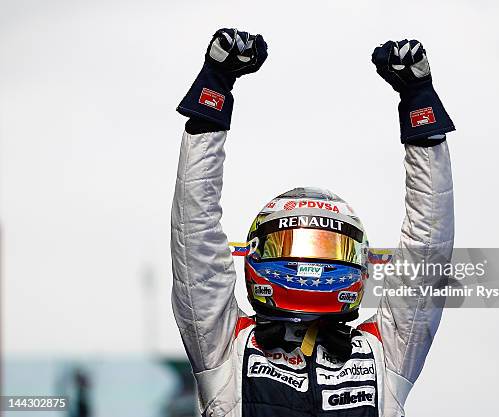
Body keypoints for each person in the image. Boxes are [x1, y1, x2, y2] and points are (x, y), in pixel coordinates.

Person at [171, 28, 455, 417]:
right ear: (256, 254)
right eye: (294, 245)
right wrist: (213, 94)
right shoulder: (226, 346)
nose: (313, 263)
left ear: (360, 260)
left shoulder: (382, 353)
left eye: (330, 247)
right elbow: (194, 234)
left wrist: (422, 111)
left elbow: (427, 249)